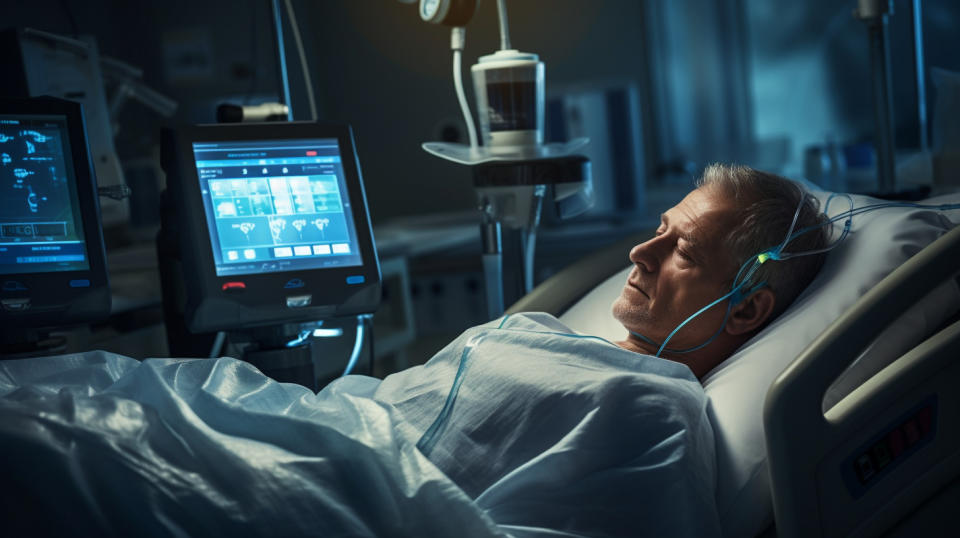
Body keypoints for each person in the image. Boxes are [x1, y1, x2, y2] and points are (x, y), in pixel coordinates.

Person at [613, 163, 830, 378]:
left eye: (684, 252)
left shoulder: (637, 399)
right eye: (660, 231)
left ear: (746, 310)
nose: (638, 253)